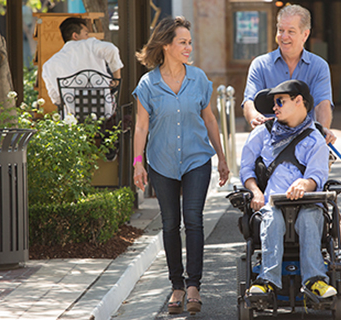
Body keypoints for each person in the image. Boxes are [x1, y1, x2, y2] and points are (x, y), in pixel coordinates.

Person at [132, 16, 229, 315]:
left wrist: (222, 157)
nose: (188, 48)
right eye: (183, 43)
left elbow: (210, 119)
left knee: (194, 220)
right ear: (166, 45)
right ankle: (176, 284)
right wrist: (138, 163)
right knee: (170, 223)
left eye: (190, 42)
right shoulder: (148, 84)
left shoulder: (198, 78)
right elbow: (141, 127)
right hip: (161, 163)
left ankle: (193, 286)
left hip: (197, 159)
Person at [239, 79, 336, 298]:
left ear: (298, 100)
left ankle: (316, 281)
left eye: (280, 102)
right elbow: (245, 169)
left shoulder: (315, 139)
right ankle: (267, 281)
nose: (275, 108)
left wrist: (305, 183)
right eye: (274, 103)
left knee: (309, 218)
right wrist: (255, 191)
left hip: (308, 203)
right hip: (272, 203)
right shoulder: (262, 133)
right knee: (272, 219)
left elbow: (317, 175)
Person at [242, 4, 337, 145]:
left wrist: (323, 131)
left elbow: (322, 103)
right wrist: (255, 117)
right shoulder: (260, 65)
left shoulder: (319, 66)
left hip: (306, 145)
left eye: (291, 31)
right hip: (269, 145)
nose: (284, 36)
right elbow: (249, 101)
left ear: (305, 34)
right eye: (281, 30)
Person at [42, 17, 124, 116]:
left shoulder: (49, 65)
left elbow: (56, 99)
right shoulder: (90, 45)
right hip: (104, 111)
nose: (88, 37)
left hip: (73, 117)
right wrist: (116, 80)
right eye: (86, 34)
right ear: (75, 36)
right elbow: (112, 49)